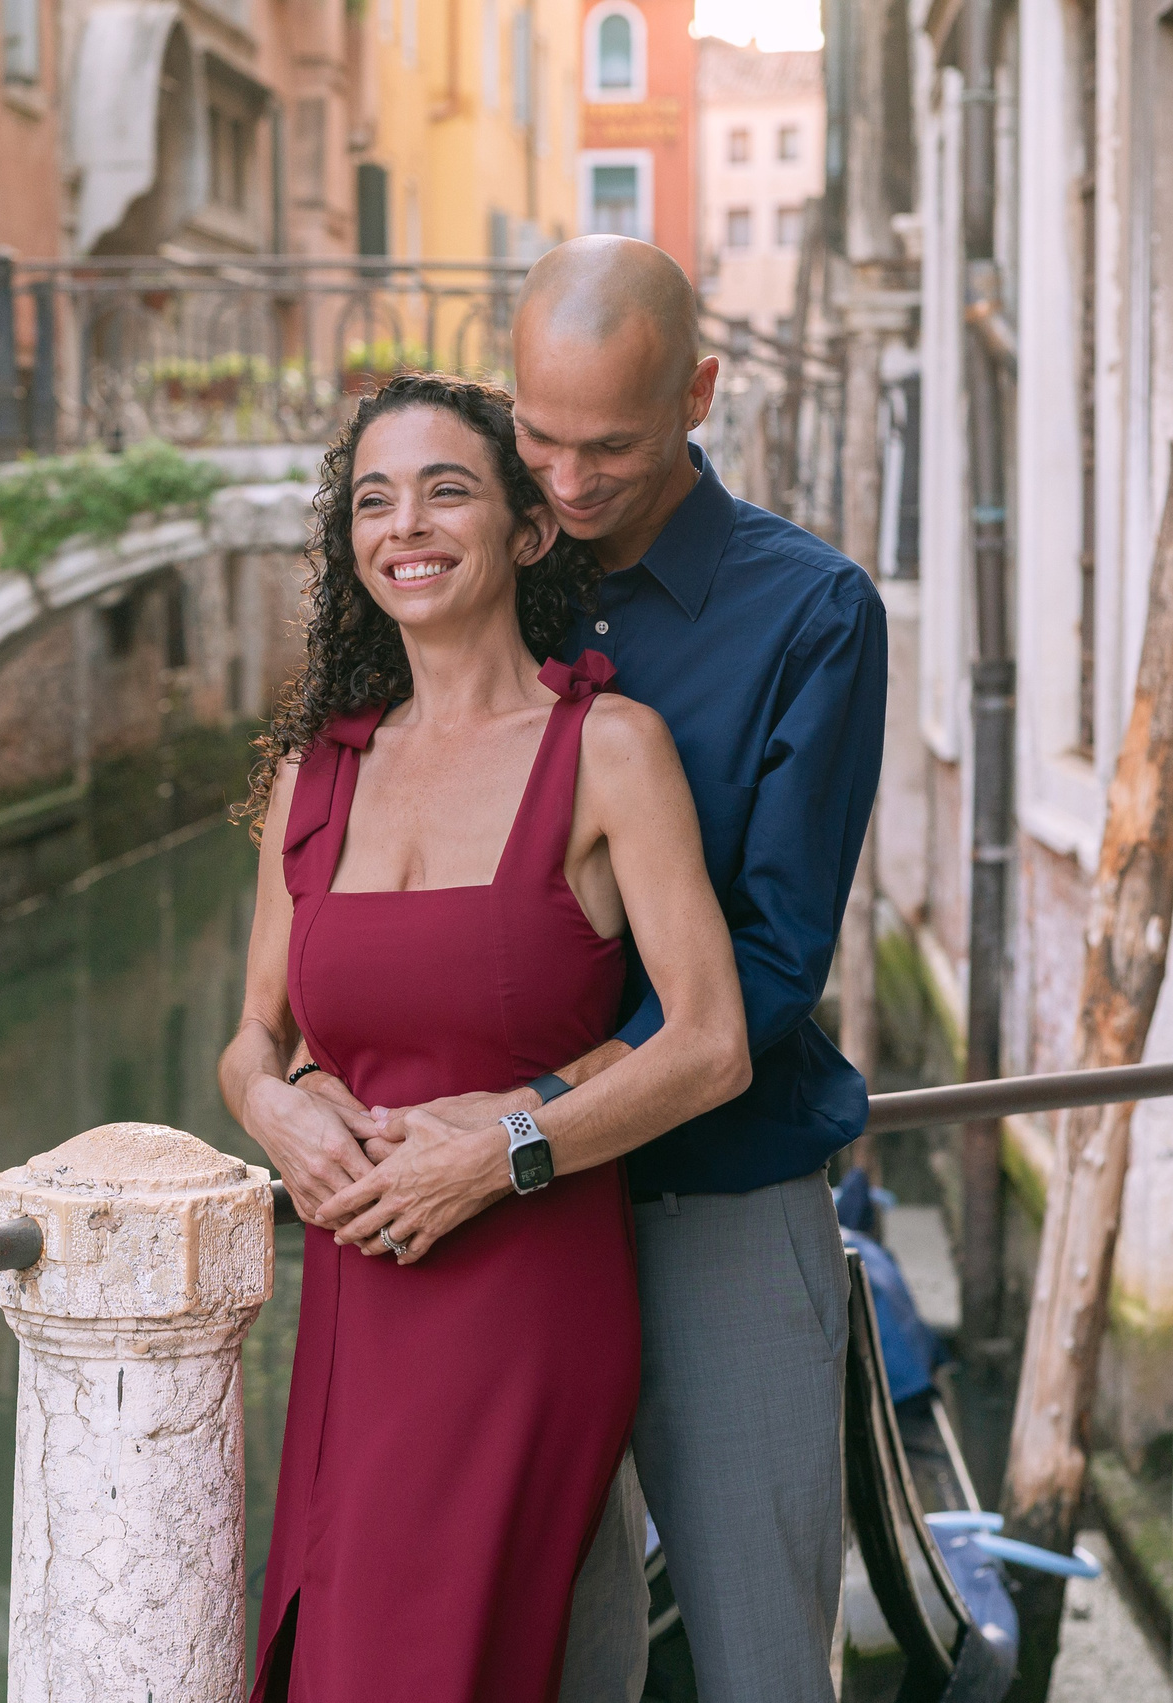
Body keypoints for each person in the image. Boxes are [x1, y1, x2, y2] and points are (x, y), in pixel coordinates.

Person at [301, 237, 889, 1699]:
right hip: (491, 1258)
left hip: (713, 1195)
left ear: (698, 393)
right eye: (539, 439)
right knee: (545, 1666)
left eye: (609, 450)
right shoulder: (474, 580)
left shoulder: (812, 616)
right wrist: (317, 1075)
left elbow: (772, 955)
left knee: (759, 1661)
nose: (562, 485)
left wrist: (529, 1117)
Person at [217, 371, 752, 1702]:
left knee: (437, 1666)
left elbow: (708, 1042)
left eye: (446, 489)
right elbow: (255, 1039)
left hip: (527, 1291)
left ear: (524, 529)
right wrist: (275, 1110)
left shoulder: (610, 749)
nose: (406, 524)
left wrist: (506, 1147)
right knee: (337, 1657)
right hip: (353, 1294)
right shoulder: (310, 774)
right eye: (373, 499)